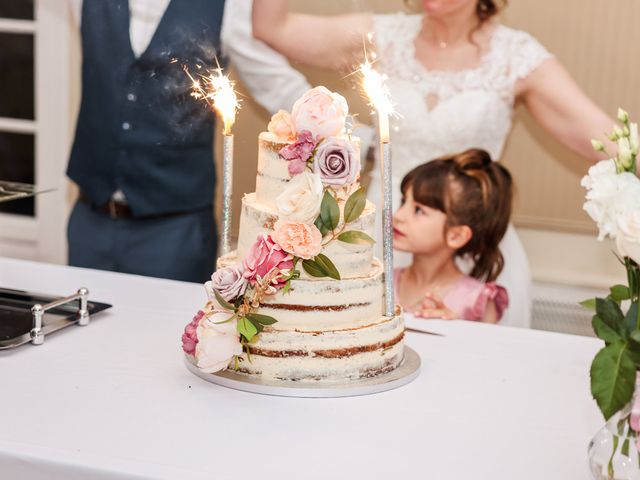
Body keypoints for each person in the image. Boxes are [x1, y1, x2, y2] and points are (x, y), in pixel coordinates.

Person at [251, 0, 614, 327]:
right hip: (382, 231)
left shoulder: (517, 57)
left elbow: (607, 141)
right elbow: (272, 28)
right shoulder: (381, 35)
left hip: (471, 243)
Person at [65, 0, 316, 283]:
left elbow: (279, 87)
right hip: (89, 222)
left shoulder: (230, 6)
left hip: (175, 233)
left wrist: (351, 138)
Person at [393, 149, 511, 322]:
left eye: (419, 210)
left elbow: (483, 349)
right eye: (404, 201)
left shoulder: (476, 300)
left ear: (456, 236)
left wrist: (455, 329)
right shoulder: (380, 283)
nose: (398, 216)